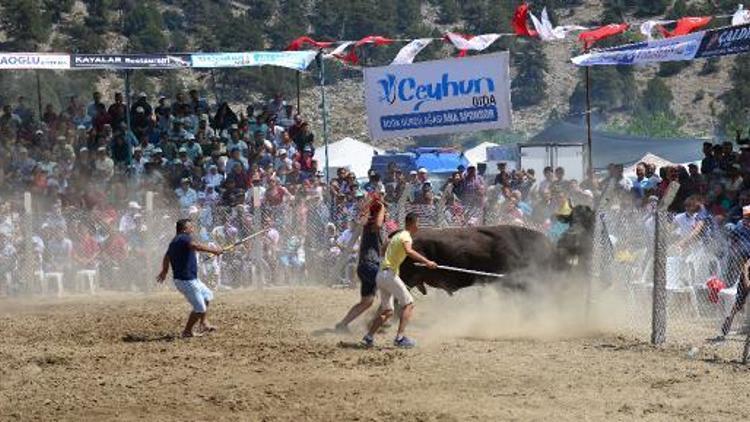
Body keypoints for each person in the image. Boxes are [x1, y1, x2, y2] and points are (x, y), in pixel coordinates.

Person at [361, 212, 437, 348]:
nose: (418, 227)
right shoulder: (406, 236)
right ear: (412, 223)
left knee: (388, 311)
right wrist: (427, 262)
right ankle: (400, 338)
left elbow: (384, 247)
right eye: (417, 224)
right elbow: (409, 251)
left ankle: (368, 337)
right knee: (409, 304)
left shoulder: (396, 235)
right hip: (390, 275)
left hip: (381, 275)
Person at [157, 219, 224, 338]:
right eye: (191, 227)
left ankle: (203, 323)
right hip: (186, 281)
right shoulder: (184, 238)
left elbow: (167, 256)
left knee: (207, 296)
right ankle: (187, 331)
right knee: (199, 308)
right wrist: (214, 250)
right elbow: (195, 245)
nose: (193, 229)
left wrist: (164, 271)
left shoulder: (175, 241)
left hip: (191, 279)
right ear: (184, 229)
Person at [335, 196, 385, 332]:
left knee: (367, 302)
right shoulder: (373, 225)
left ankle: (343, 324)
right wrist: (381, 207)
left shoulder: (365, 224)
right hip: (371, 265)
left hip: (364, 266)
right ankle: (377, 323)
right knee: (392, 291)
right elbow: (379, 224)